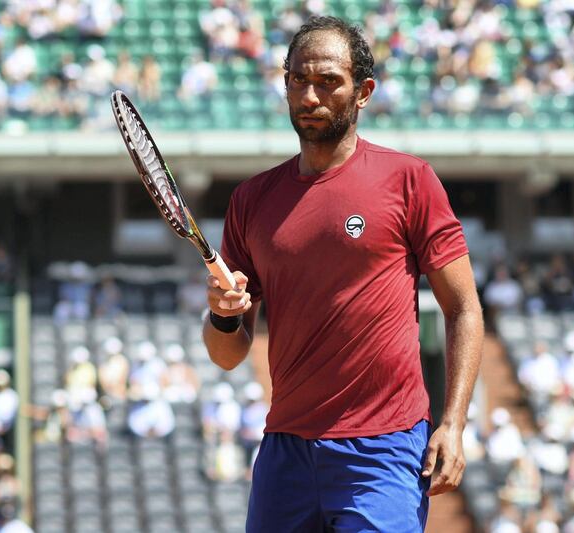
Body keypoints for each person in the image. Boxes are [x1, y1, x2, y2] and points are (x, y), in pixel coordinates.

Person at [202, 17, 484, 532]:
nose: (310, 96)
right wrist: (222, 317)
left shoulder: (409, 180)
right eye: (298, 80)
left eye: (328, 81)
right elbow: (228, 354)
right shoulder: (251, 201)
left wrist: (453, 422)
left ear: (363, 92)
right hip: (285, 449)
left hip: (383, 447)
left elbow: (464, 308)